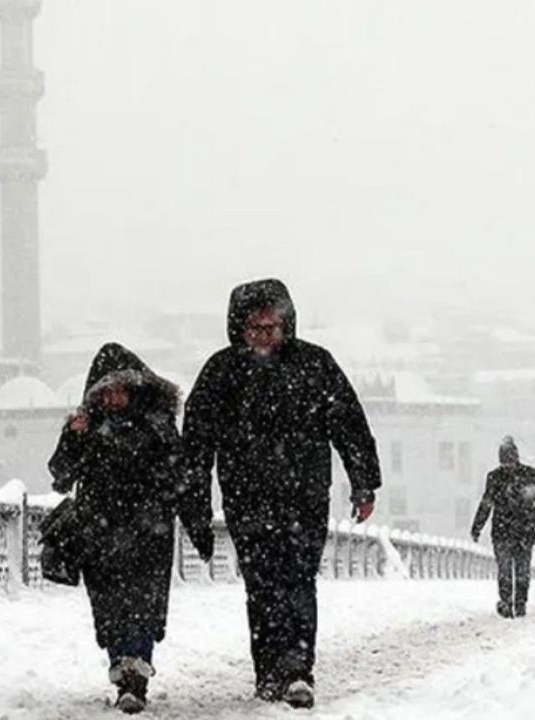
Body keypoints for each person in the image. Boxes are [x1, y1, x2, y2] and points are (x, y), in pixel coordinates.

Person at [182, 279, 381, 709]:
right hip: (246, 498)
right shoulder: (221, 373)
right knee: (262, 584)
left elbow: (348, 424)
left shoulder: (314, 365)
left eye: (272, 327)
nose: (265, 336)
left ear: (286, 325)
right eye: (256, 328)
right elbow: (195, 444)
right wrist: (194, 504)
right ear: (240, 328)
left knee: (297, 580)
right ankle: (268, 671)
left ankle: (296, 670)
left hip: (303, 497)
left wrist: (363, 482)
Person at [48, 343, 215, 715]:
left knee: (142, 606)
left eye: (120, 387)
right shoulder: (87, 427)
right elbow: (60, 476)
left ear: (137, 387)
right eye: (105, 390)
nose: (113, 397)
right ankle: (122, 666)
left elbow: (183, 480)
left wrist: (198, 526)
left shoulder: (158, 426)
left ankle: (134, 677)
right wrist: (73, 437)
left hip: (148, 534)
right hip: (99, 534)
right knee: (109, 609)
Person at [471, 436, 535, 618]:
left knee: (520, 570)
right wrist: (477, 526)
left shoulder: (523, 476)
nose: (508, 465)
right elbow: (486, 504)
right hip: (509, 532)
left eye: (509, 460)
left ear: (516, 458)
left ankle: (519, 602)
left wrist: (531, 521)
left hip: (517, 531)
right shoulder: (505, 477)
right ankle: (507, 602)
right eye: (505, 461)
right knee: (507, 570)